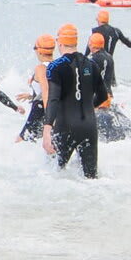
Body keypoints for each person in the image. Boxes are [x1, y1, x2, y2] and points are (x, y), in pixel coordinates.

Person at [41, 24, 102, 178]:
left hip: (65, 127)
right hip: (89, 126)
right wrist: (87, 107)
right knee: (91, 179)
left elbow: (53, 99)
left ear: (59, 42)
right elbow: (103, 96)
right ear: (76, 42)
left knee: (56, 175)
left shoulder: (55, 67)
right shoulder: (91, 64)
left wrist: (47, 129)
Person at [17, 34, 53, 142]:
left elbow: (46, 90)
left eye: (35, 48)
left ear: (40, 51)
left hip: (40, 109)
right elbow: (52, 88)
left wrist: (49, 116)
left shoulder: (40, 68)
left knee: (20, 141)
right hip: (55, 108)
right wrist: (31, 95)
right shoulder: (57, 65)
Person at [90, 10, 131, 87]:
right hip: (110, 62)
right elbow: (130, 44)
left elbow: (88, 51)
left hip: (97, 61)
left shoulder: (95, 31)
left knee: (96, 87)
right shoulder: (116, 31)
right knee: (112, 87)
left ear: (99, 20)